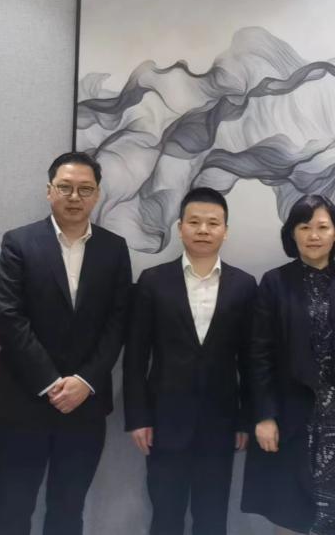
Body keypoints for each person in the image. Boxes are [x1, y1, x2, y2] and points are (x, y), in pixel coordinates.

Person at [0, 152, 132, 535]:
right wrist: (51, 382)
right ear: (49, 190)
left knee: (68, 512)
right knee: (12, 510)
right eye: (65, 187)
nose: (74, 197)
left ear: (97, 195)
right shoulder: (19, 242)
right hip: (26, 402)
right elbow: (9, 317)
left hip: (85, 406)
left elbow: (118, 322)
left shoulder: (114, 248)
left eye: (85, 189)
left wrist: (84, 381)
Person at [123, 187, 257, 535]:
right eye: (194, 222)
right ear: (180, 227)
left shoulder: (244, 285)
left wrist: (245, 420)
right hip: (164, 423)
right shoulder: (153, 281)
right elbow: (135, 357)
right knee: (165, 517)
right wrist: (138, 417)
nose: (203, 230)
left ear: (225, 231)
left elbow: (251, 360)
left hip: (221, 424)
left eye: (213, 223)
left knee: (212, 520)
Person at [241, 194, 335, 535]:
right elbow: (259, 356)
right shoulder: (274, 282)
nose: (313, 235)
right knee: (292, 512)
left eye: (322, 227)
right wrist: (264, 415)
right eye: (304, 227)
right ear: (292, 233)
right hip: (291, 418)